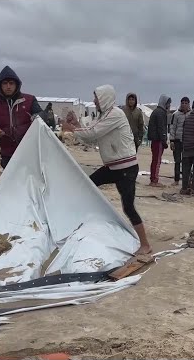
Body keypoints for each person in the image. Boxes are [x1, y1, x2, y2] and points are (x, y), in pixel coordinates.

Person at [62, 85, 152, 255]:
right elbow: (92, 139)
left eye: (96, 97)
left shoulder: (115, 114)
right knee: (87, 185)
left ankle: (146, 245)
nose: (94, 100)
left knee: (128, 207)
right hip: (112, 167)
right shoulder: (104, 116)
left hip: (126, 168)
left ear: (104, 98)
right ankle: (89, 225)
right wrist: (76, 124)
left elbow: (92, 133)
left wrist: (72, 128)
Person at [0, 66, 42, 169]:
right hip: (7, 154)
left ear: (17, 85)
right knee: (11, 183)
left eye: (11, 83)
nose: (8, 86)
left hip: (29, 152)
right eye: (5, 83)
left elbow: (41, 117)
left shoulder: (29, 100)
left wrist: (36, 117)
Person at [147, 94, 171, 186]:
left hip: (155, 139)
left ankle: (153, 178)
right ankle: (154, 180)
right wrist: (164, 141)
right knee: (157, 160)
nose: (169, 106)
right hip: (158, 140)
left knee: (155, 160)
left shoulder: (156, 111)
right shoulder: (161, 113)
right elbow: (161, 128)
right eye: (168, 103)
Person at [169, 97, 190, 186]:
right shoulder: (176, 115)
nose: (184, 105)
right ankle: (176, 180)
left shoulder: (191, 114)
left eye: (186, 103)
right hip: (177, 140)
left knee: (187, 161)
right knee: (177, 161)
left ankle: (187, 179)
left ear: (189, 104)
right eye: (183, 103)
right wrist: (171, 140)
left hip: (187, 141)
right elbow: (172, 128)